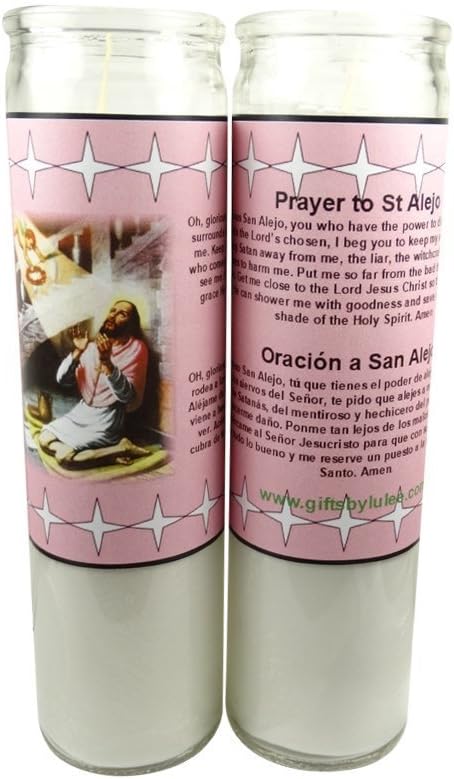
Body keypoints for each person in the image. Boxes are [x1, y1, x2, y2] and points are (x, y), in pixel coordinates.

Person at [39, 300, 149, 465]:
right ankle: (114, 452)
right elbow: (62, 379)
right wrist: (79, 350)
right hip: (82, 412)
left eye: (122, 314)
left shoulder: (136, 348)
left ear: (131, 323)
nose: (113, 316)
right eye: (113, 310)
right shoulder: (92, 346)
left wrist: (107, 362)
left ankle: (121, 447)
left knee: (64, 457)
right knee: (43, 438)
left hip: (106, 419)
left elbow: (128, 396)